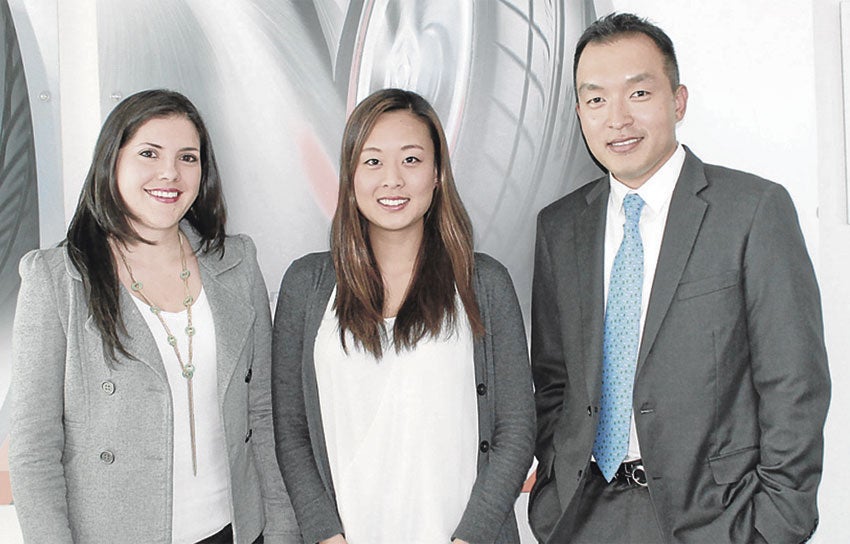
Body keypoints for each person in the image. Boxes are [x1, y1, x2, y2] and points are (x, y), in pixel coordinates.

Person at [528, 12, 830, 544]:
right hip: (585, 516)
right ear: (579, 113)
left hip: (717, 519)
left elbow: (795, 384)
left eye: (638, 93)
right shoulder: (560, 226)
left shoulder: (753, 210)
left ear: (678, 101)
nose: (617, 118)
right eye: (596, 99)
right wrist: (554, 486)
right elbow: (554, 379)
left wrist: (774, 526)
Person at [10, 89, 298, 543]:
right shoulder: (56, 279)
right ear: (112, 161)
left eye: (188, 157)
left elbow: (261, 414)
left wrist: (282, 532)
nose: (170, 172)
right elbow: (33, 450)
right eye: (149, 153)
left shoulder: (237, 263)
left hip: (236, 530)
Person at [271, 88, 535, 544]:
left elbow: (515, 430)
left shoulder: (484, 283)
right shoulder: (306, 285)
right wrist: (325, 534)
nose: (392, 179)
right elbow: (292, 430)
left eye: (411, 160)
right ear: (350, 175)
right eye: (372, 161)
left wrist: (469, 537)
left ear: (437, 174)